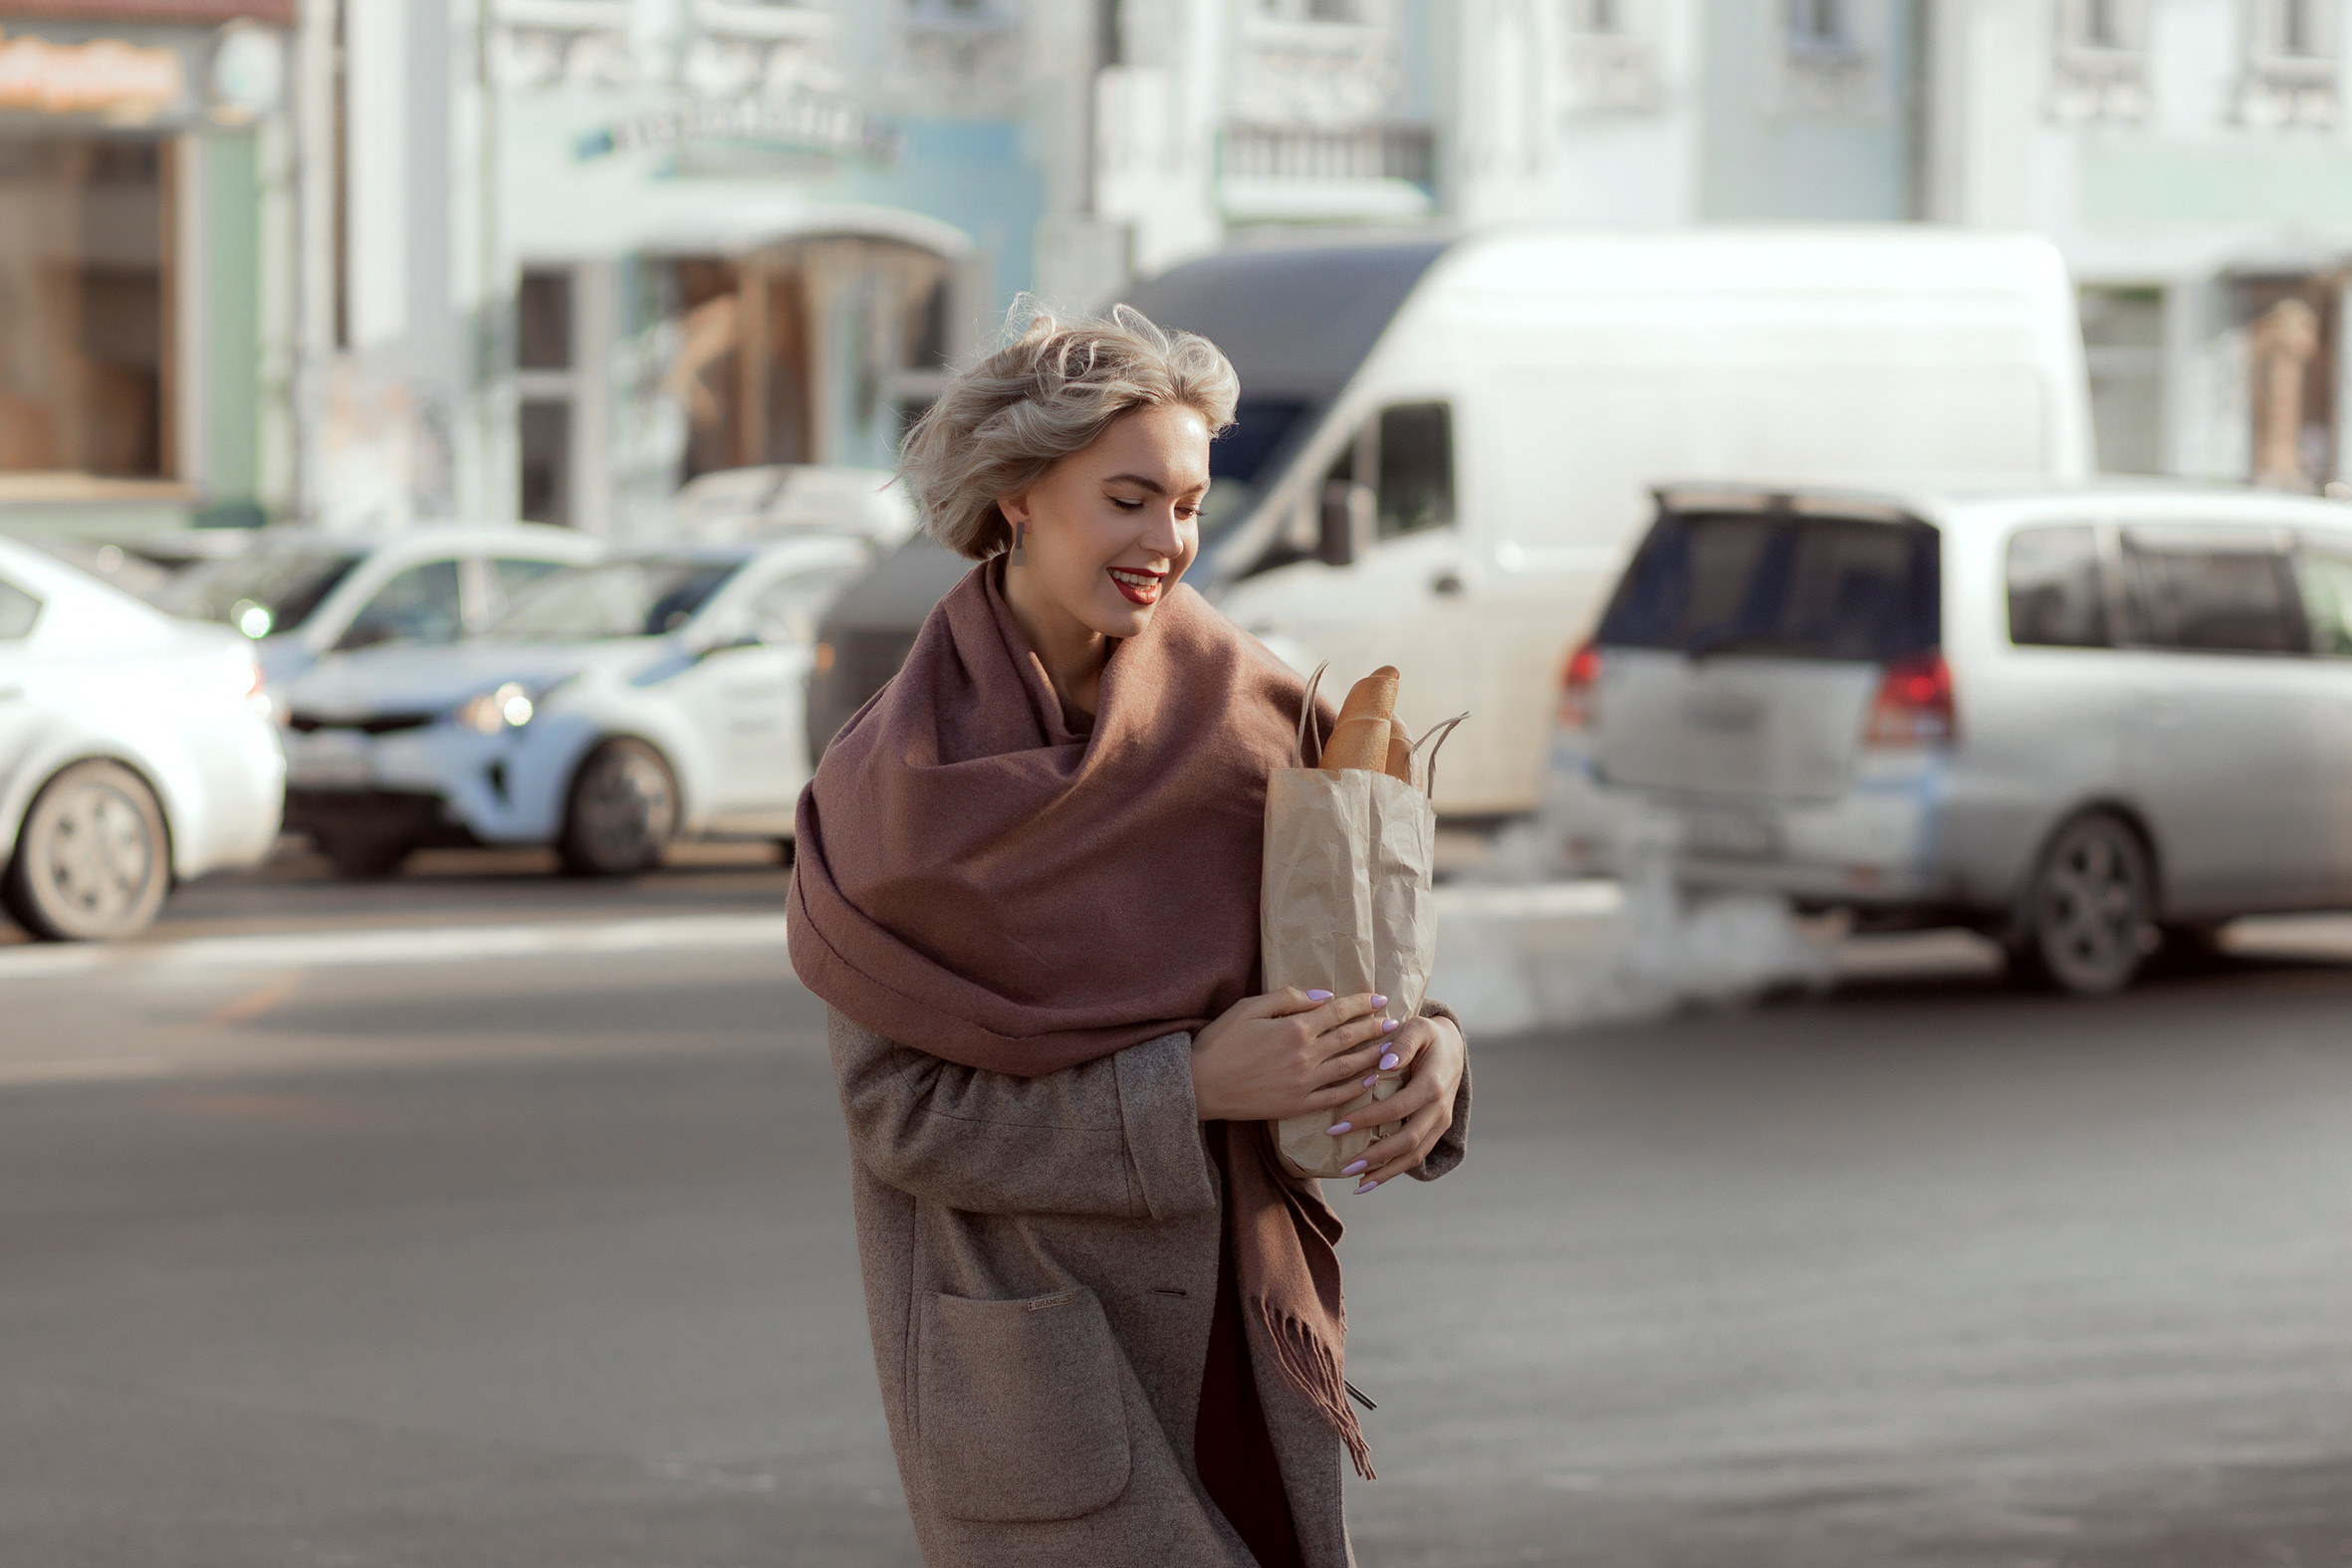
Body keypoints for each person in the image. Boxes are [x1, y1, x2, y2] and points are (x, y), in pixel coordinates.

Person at [788, 303, 1471, 1568]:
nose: (1169, 541)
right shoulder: (897, 780)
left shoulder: (1255, 713)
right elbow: (901, 1117)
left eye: (1191, 504)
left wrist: (1429, 1057)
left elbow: (1357, 965)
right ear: (1018, 499)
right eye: (1129, 498)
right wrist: (1190, 1086)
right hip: (1034, 1352)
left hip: (1242, 1328)